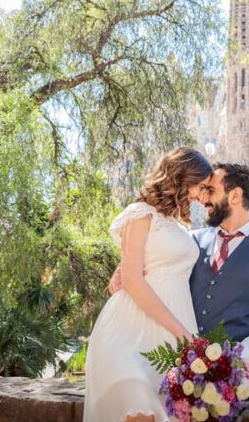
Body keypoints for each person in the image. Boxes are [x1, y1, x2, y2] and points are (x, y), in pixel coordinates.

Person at [109, 163, 249, 391]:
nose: (203, 199)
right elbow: (145, 264)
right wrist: (121, 270)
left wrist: (233, 360)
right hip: (174, 368)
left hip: (230, 377)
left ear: (235, 196)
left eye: (211, 191)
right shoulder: (189, 242)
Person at [83, 147, 213, 422]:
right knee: (138, 398)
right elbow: (130, 278)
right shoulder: (140, 214)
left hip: (172, 335)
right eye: (200, 186)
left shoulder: (180, 227)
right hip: (130, 331)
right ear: (183, 178)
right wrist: (185, 335)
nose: (202, 196)